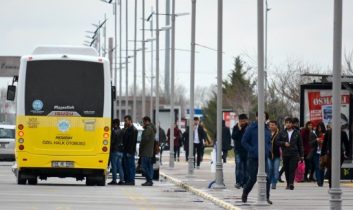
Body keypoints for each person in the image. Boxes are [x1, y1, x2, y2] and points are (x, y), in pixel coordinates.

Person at [241, 112, 272, 204]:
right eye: (260, 116)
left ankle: (266, 197)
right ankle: (245, 193)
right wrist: (252, 150)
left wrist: (268, 149)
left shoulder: (267, 129)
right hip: (253, 157)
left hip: (264, 157)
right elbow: (244, 141)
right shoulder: (251, 128)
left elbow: (269, 142)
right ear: (256, 117)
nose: (262, 118)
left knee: (267, 177)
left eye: (264, 117)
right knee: (253, 178)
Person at [276, 117, 304, 190]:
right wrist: (284, 143)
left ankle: (291, 183)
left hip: (294, 154)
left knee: (292, 169)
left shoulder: (297, 133)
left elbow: (300, 145)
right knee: (287, 169)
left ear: (292, 124)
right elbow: (277, 142)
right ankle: (288, 183)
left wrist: (302, 156)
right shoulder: (282, 132)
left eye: (289, 123)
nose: (288, 124)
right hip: (285, 154)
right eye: (287, 123)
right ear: (285, 124)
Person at [232, 114, 249, 189]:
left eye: (244, 121)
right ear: (239, 121)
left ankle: (245, 182)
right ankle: (238, 182)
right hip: (238, 150)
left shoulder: (249, 127)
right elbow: (234, 137)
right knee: (238, 166)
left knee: (246, 167)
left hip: (247, 150)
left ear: (246, 120)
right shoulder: (236, 127)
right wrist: (239, 129)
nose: (242, 122)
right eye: (241, 121)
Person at [139, 116, 156, 186]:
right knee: (149, 167)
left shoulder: (148, 129)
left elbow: (144, 140)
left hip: (146, 151)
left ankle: (149, 180)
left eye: (143, 122)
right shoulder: (151, 128)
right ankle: (149, 180)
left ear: (146, 121)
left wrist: (141, 148)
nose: (143, 124)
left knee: (144, 167)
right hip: (149, 152)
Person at [122, 115, 138, 185]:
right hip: (125, 150)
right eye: (125, 121)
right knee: (126, 166)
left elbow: (133, 142)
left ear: (130, 121)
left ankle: (131, 180)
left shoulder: (133, 130)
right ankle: (128, 180)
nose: (125, 122)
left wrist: (130, 152)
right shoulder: (127, 129)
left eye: (126, 121)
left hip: (130, 151)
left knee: (131, 166)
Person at [108, 119, 125, 185]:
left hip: (114, 151)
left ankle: (114, 180)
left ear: (115, 124)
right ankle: (122, 180)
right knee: (120, 166)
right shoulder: (122, 131)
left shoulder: (113, 132)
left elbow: (112, 142)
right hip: (121, 151)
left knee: (114, 166)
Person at [267, 120, 280, 189]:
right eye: (270, 125)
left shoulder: (279, 133)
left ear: (276, 125)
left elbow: (282, 142)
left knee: (276, 170)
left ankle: (274, 182)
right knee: (269, 168)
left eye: (273, 125)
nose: (271, 126)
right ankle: (270, 182)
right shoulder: (267, 133)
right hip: (268, 154)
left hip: (277, 154)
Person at [313, 122, 326, 186]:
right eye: (318, 127)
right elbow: (310, 143)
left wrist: (323, 142)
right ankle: (319, 181)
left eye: (321, 127)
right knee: (317, 167)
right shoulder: (315, 134)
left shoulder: (325, 134)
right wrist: (316, 140)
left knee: (322, 167)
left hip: (323, 153)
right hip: (316, 153)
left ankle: (322, 180)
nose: (319, 128)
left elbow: (327, 143)